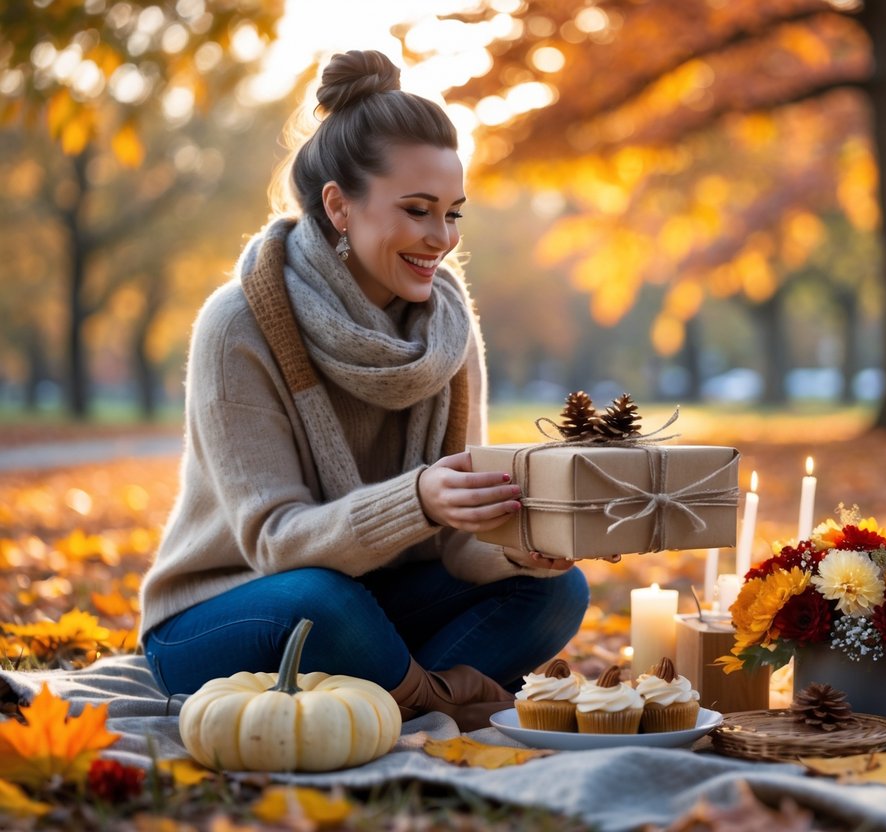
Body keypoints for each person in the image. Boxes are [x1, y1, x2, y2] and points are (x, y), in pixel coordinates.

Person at [138, 49, 590, 731]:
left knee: (555, 591)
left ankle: (387, 691)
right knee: (322, 604)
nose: (440, 238)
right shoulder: (240, 323)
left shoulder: (448, 331)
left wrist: (515, 548)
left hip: (373, 602)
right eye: (417, 210)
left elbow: (456, 545)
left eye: (452, 213)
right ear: (338, 207)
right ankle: (437, 701)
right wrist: (418, 498)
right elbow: (276, 543)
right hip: (232, 607)